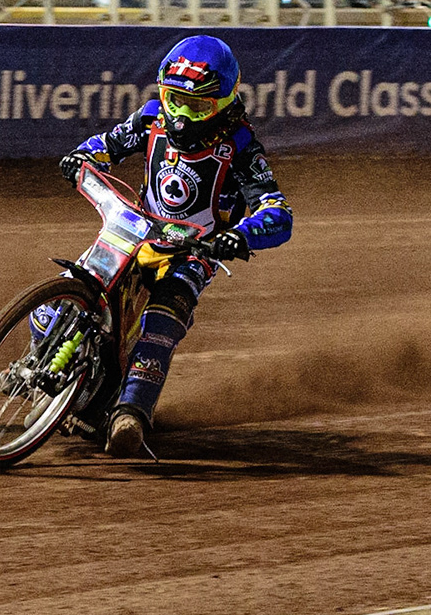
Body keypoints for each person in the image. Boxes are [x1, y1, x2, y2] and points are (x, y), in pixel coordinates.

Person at [57, 35, 293, 458]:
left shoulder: (240, 146)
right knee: (63, 293)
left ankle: (130, 414)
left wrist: (239, 235)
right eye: (174, 100)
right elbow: (107, 145)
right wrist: (82, 156)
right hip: (135, 229)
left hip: (194, 251)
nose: (181, 116)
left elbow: (277, 211)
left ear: (222, 103)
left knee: (163, 320)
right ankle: (46, 361)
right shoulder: (151, 119)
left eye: (198, 106)